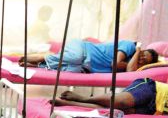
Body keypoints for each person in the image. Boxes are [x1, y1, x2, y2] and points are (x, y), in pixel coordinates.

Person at [18, 39, 159, 73]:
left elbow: (129, 70)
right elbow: (114, 64)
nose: (140, 59)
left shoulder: (130, 66)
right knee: (75, 58)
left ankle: (39, 65)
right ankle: (44, 57)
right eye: (142, 55)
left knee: (72, 69)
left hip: (84, 65)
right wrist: (138, 49)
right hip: (82, 48)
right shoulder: (129, 46)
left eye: (143, 61)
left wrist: (138, 58)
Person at [53, 78, 168, 115]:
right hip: (154, 90)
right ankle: (84, 98)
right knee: (122, 102)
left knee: (116, 111)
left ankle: (69, 103)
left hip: (154, 110)